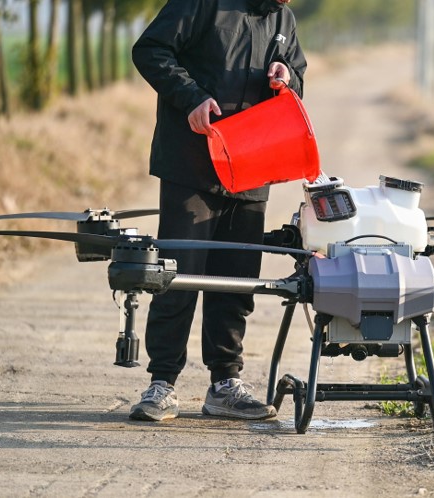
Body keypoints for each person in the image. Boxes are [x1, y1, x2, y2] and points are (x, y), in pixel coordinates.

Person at [128, 0, 306, 422]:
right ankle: (162, 383)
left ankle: (225, 384)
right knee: (177, 273)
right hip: (191, 163)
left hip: (252, 164)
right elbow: (149, 49)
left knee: (236, 278)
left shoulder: (282, 17)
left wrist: (289, 77)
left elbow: (297, 70)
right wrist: (191, 97)